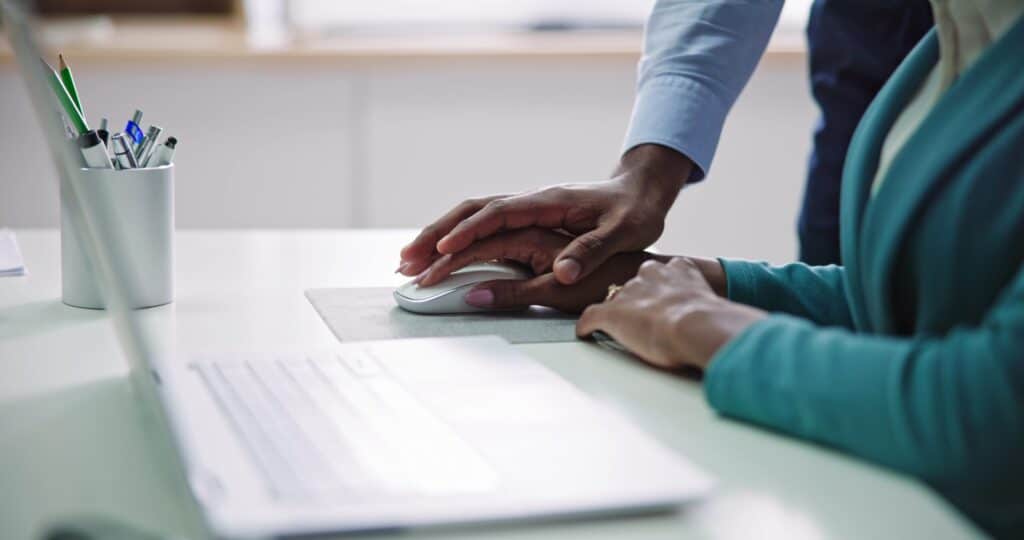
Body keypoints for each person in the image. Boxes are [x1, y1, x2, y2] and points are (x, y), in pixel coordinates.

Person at [399, 1, 1024, 537]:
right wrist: (685, 283)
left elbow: (993, 420)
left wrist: (707, 328)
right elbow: (903, 307)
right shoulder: (949, 50)